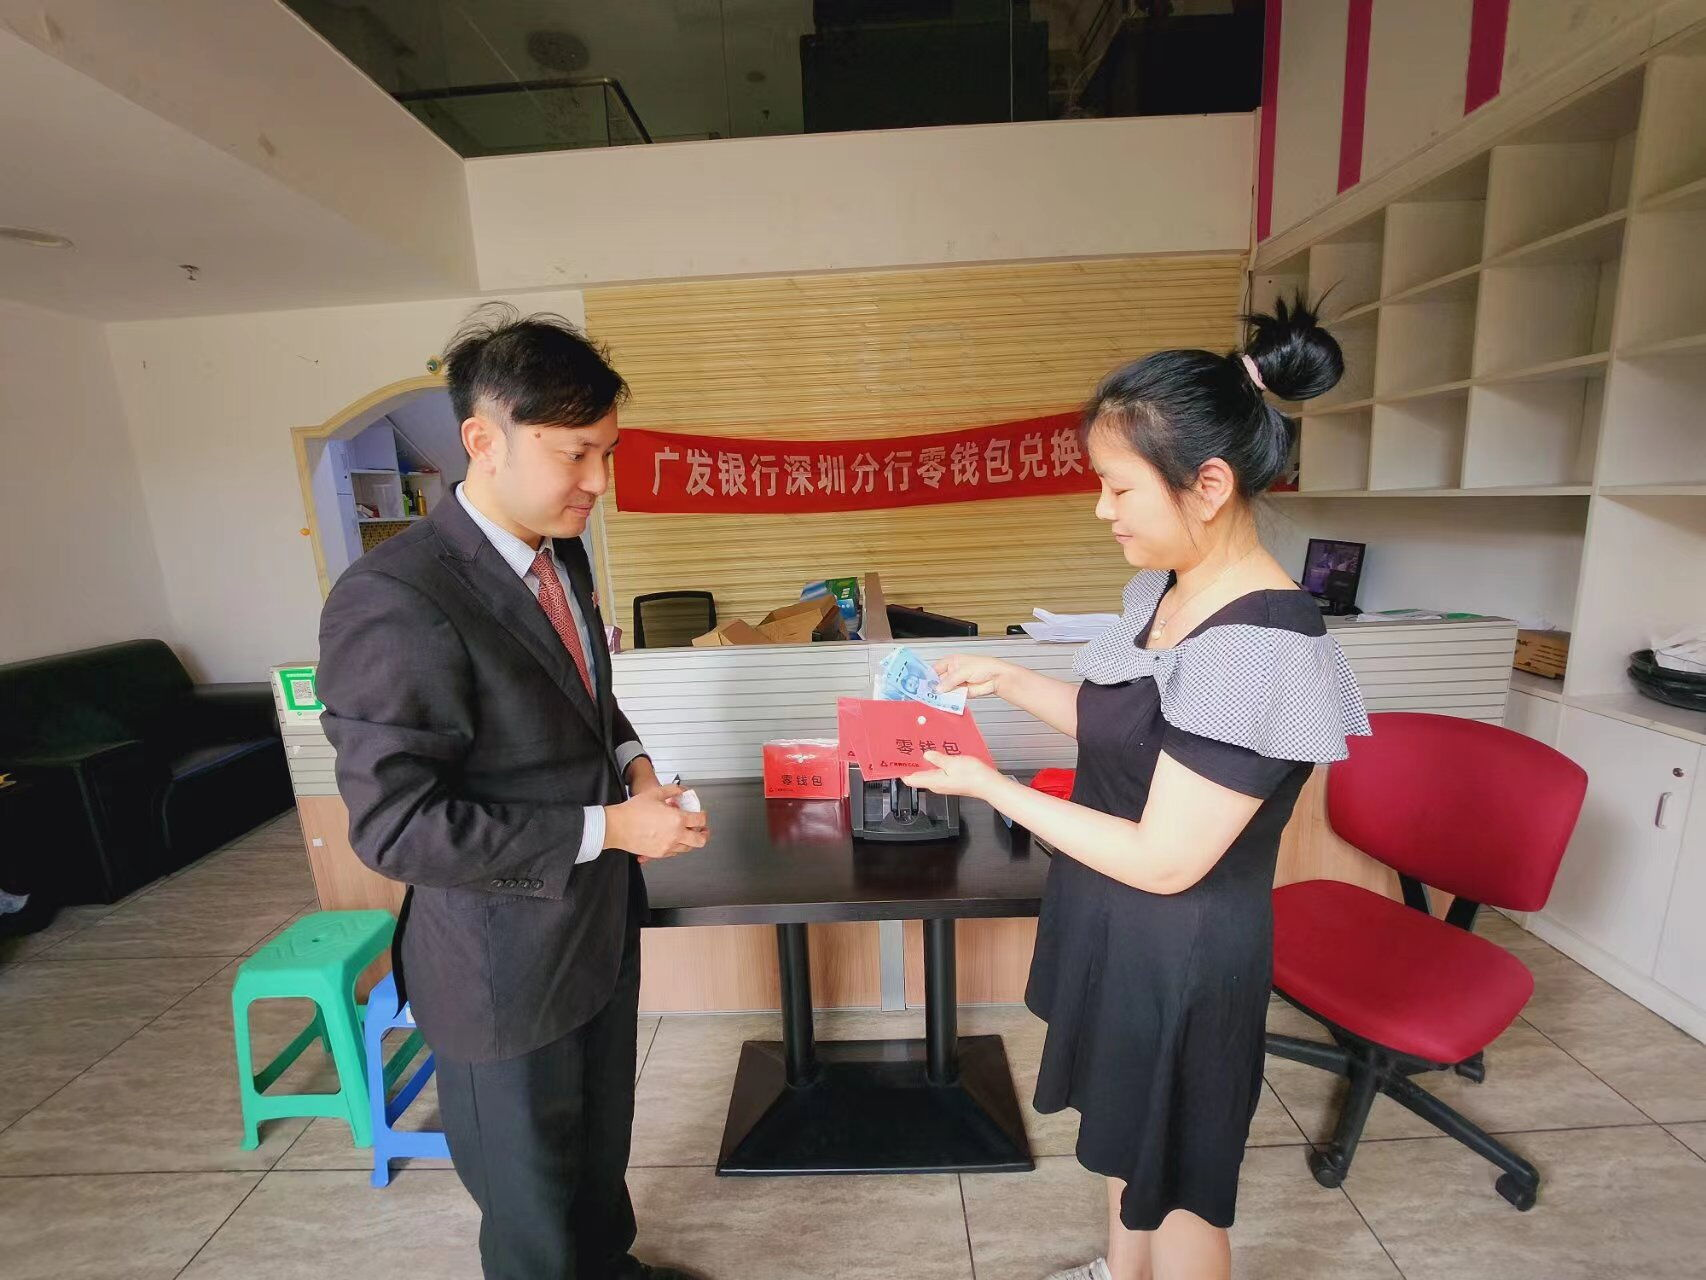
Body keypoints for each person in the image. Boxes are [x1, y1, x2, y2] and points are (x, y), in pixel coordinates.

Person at [903, 296, 1370, 1280]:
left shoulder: (1258, 645)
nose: (1101, 509)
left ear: (1209, 484)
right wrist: (1008, 679)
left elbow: (1166, 858)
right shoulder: (1167, 590)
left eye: (1118, 487)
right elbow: (1126, 728)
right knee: (1125, 1139)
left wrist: (989, 785)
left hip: (1181, 953)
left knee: (1178, 1182)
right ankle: (1121, 1271)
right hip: (1115, 917)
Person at [317, 305, 708, 1280]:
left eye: (607, 453)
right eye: (577, 454)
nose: (599, 483)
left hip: (593, 932)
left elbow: (588, 699)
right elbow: (399, 826)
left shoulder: (558, 550)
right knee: (532, 1213)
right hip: (499, 969)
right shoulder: (397, 597)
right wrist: (612, 826)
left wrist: (635, 767)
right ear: (483, 440)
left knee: (595, 1168)